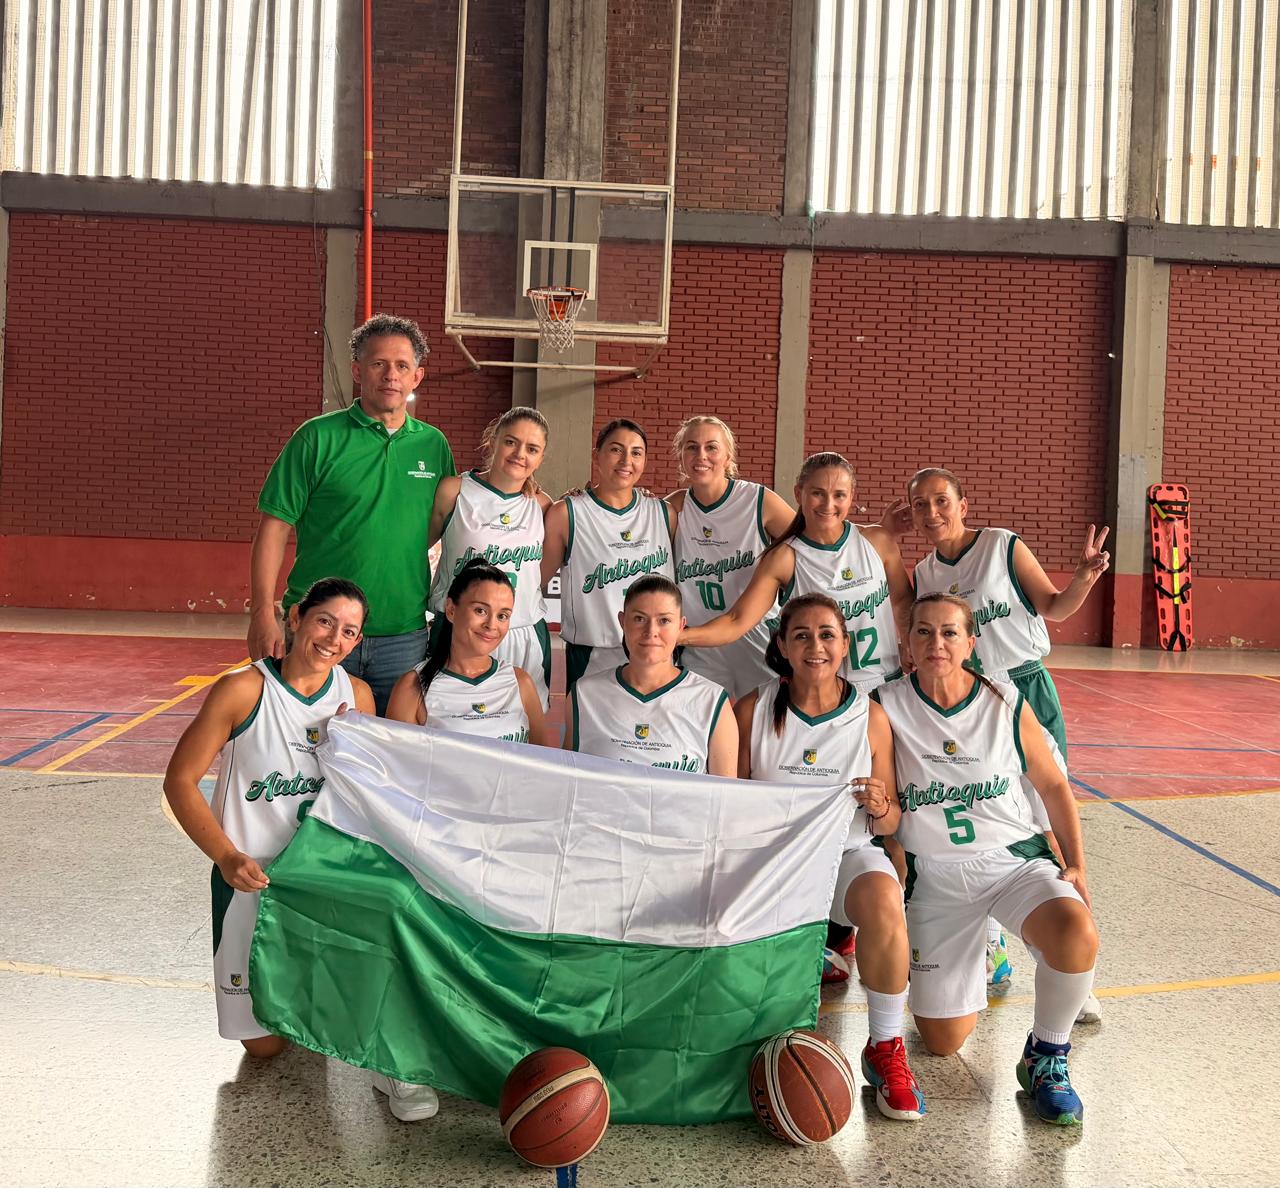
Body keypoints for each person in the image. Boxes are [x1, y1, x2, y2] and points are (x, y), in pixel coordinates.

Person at [878, 594, 1099, 1126]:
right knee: (941, 1041)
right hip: (934, 877)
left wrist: (1076, 864)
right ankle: (984, 948)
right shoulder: (884, 705)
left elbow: (1052, 785)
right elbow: (881, 802)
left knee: (1075, 931)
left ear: (970, 642)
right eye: (925, 632)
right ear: (907, 643)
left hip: (1011, 861)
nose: (937, 643)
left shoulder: (1004, 700)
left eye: (950, 633)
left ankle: (1046, 1056)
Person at [906, 466, 1108, 1015]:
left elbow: (1054, 606)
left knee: (1045, 818)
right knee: (988, 819)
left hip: (1021, 690)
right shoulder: (923, 572)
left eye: (941, 500)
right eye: (920, 505)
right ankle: (992, 945)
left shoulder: (1001, 546)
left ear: (963, 504)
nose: (932, 513)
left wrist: (1084, 579)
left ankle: (1072, 966)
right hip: (965, 703)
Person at [735, 594, 925, 1121]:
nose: (814, 645)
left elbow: (888, 825)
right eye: (801, 635)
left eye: (826, 635)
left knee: (886, 899)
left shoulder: (870, 716)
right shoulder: (751, 709)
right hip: (771, 865)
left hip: (844, 855)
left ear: (845, 645)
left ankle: (885, 1046)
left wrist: (882, 806)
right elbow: (727, 809)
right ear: (781, 645)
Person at [163, 580, 374, 1052]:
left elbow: (364, 797)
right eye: (325, 621)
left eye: (349, 631)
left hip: (319, 880)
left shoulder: (357, 696)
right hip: (249, 876)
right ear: (296, 618)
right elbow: (179, 782)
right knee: (264, 1045)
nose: (333, 639)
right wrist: (225, 856)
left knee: (320, 1028)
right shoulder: (241, 690)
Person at [249, 314, 455, 715]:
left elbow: (440, 521)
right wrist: (262, 612)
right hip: (319, 627)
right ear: (358, 371)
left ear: (418, 376)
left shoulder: (434, 445)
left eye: (402, 366)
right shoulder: (316, 438)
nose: (390, 376)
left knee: (389, 760)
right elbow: (273, 529)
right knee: (301, 753)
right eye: (379, 364)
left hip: (403, 634)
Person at [680, 452, 912, 696]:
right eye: (817, 493)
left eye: (839, 495)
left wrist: (908, 641)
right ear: (798, 493)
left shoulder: (878, 541)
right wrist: (676, 637)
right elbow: (737, 621)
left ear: (852, 497)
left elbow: (902, 600)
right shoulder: (784, 558)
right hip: (825, 694)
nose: (828, 504)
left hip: (886, 686)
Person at [427, 407, 553, 709]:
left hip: (522, 632)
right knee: (447, 722)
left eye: (532, 449)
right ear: (492, 440)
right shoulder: (454, 490)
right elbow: (415, 548)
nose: (520, 454)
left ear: (541, 458)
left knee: (520, 733)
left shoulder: (543, 504)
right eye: (511, 442)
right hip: (459, 629)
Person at [665, 415, 796, 699]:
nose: (701, 455)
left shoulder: (760, 501)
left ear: (728, 456)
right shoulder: (674, 507)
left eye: (711, 447)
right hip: (700, 644)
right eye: (691, 447)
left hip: (758, 639)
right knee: (705, 732)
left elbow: (815, 539)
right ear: (681, 456)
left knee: (765, 730)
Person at [541, 419, 674, 692]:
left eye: (636, 452)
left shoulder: (665, 514)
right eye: (616, 449)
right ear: (596, 454)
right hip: (593, 655)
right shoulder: (566, 514)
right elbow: (536, 585)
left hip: (658, 654)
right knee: (590, 735)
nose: (626, 460)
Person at [565, 576, 737, 776]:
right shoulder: (584, 695)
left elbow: (725, 797)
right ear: (622, 621)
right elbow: (570, 784)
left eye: (664, 620)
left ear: (681, 626)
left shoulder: (712, 701)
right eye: (639, 618)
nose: (651, 631)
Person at [386, 559, 553, 746]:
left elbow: (543, 762)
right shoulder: (413, 687)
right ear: (450, 610)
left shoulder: (520, 682)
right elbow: (398, 769)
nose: (491, 625)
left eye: (502, 616)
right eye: (480, 610)